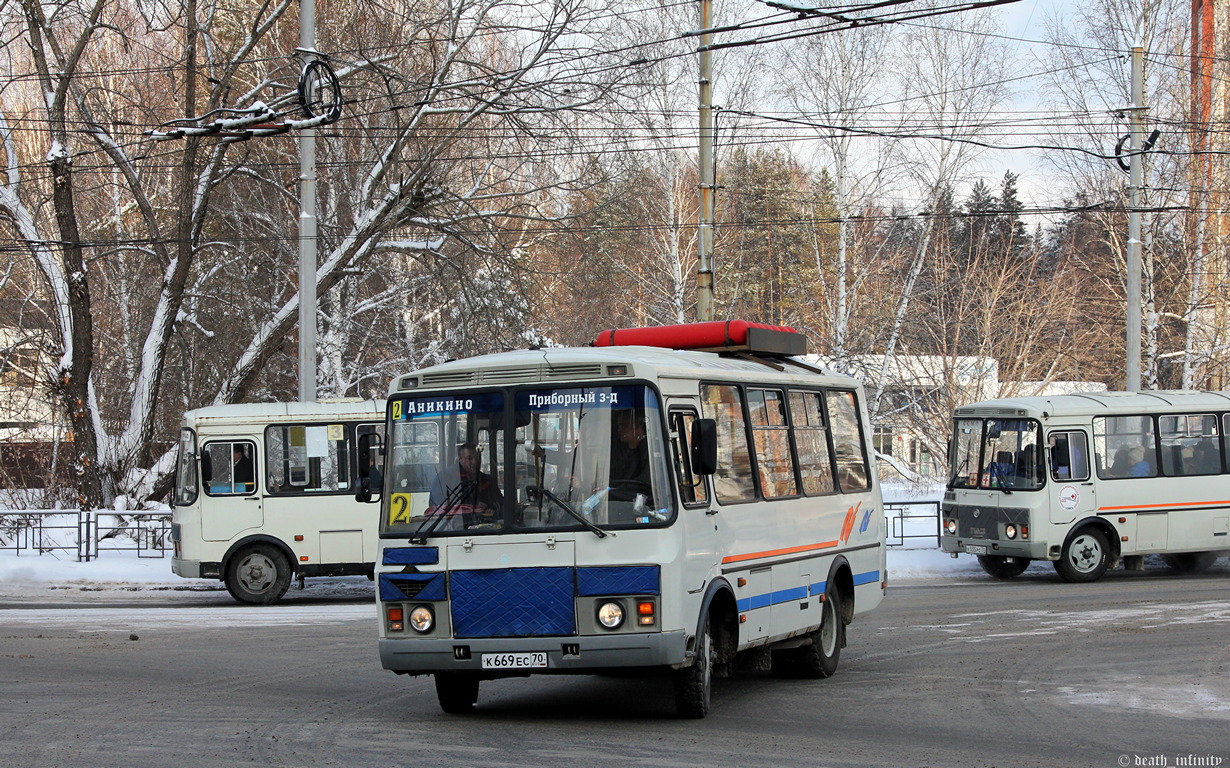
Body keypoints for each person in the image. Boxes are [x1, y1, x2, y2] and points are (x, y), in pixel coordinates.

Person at [428, 443, 503, 516]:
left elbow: (500, 503)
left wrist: (488, 506)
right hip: (452, 525)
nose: (474, 462)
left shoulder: (487, 480)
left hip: (483, 525)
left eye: (476, 458)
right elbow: (437, 507)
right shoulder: (444, 479)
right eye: (469, 458)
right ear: (459, 459)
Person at [609, 409, 652, 503]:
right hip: (619, 501)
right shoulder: (620, 451)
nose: (619, 430)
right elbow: (613, 472)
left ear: (637, 427)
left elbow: (644, 482)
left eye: (623, 426)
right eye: (618, 426)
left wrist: (614, 491)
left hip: (643, 503)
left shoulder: (649, 452)